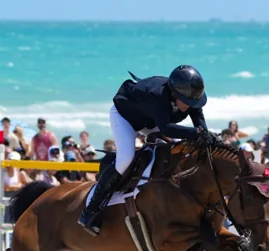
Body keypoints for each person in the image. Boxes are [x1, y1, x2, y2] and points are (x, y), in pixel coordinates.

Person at [78, 65, 211, 235]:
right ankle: (90, 209)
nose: (189, 106)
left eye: (192, 103)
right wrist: (197, 133)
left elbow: (199, 124)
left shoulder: (192, 96)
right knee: (126, 158)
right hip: (126, 117)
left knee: (179, 150)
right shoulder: (157, 96)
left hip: (150, 120)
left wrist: (206, 135)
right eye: (186, 102)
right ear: (174, 93)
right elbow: (166, 128)